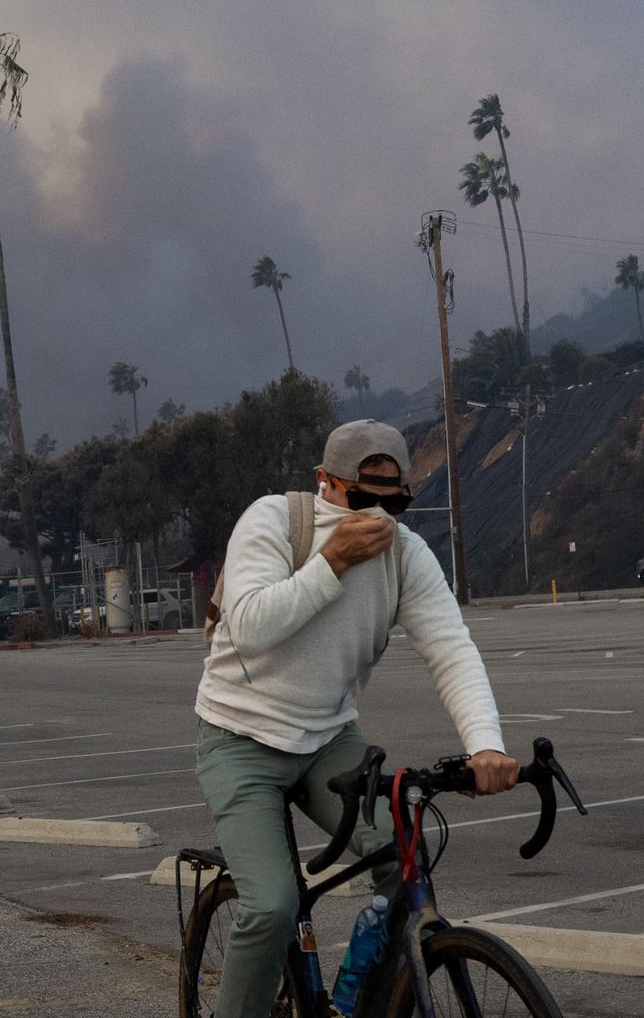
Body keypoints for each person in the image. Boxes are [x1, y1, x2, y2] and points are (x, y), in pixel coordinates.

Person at [194, 420, 516, 1018]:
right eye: (364, 497)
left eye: (394, 501)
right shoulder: (272, 521)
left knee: (405, 858)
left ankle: (362, 1001)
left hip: (328, 739)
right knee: (271, 905)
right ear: (326, 483)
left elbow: (450, 647)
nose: (380, 513)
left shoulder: (405, 555)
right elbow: (250, 626)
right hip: (239, 738)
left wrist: (484, 745)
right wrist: (330, 562)